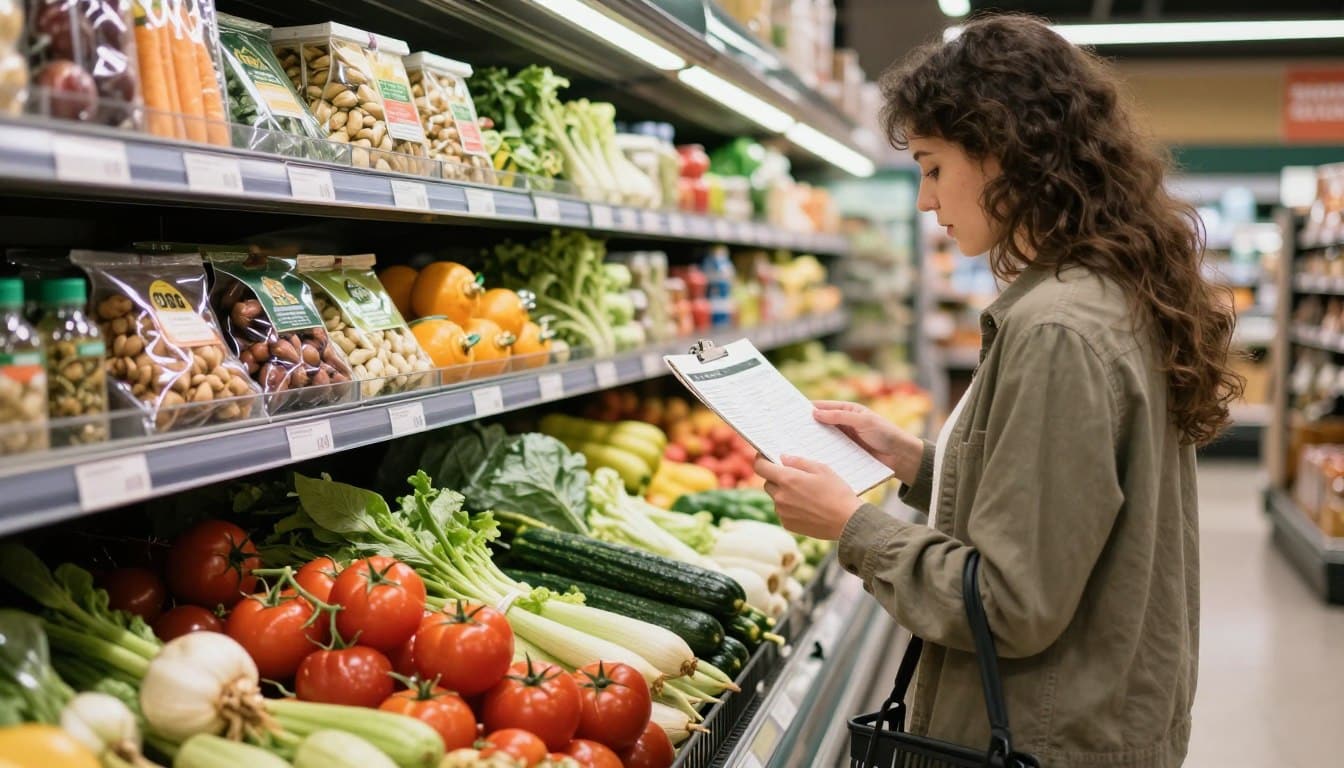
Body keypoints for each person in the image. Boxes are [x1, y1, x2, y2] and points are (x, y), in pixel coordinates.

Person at [753, 14, 1243, 768]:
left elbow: (1010, 603)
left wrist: (852, 526)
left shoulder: (1058, 328)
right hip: (1094, 716)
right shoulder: (1105, 290)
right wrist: (914, 460)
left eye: (931, 166)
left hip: (1046, 734)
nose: (924, 201)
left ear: (1003, 155)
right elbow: (1069, 507)